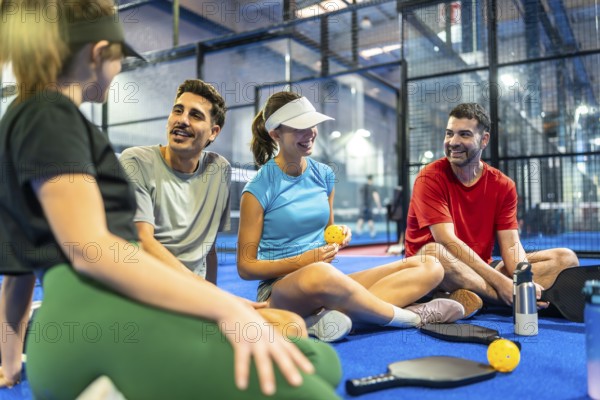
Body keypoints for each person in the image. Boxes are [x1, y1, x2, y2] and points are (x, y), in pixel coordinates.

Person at [0, 1, 342, 398]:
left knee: (320, 362)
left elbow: (17, 273)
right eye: (119, 60)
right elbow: (93, 250)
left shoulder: (23, 120)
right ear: (98, 54)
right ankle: (108, 385)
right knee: (313, 389)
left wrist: (10, 366)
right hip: (107, 325)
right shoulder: (50, 115)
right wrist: (223, 307)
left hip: (82, 333)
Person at [237, 92, 477, 343]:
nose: (309, 133)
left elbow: (326, 235)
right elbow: (246, 267)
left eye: (312, 125)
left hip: (327, 280)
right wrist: (304, 261)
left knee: (430, 266)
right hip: (281, 291)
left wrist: (337, 236)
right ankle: (413, 317)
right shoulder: (258, 188)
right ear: (276, 133)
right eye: (299, 128)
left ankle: (320, 320)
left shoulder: (324, 175)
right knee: (320, 272)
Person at [119, 79, 307, 339]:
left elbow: (210, 249)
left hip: (194, 300)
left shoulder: (219, 170)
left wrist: (215, 305)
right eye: (178, 110)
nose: (182, 120)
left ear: (213, 132)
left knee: (291, 327)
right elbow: (143, 242)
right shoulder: (135, 161)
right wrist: (217, 299)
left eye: (195, 115)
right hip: (146, 297)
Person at [404, 103, 579, 307]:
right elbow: (446, 241)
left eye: (464, 135)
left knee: (566, 259)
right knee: (434, 253)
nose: (453, 142)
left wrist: (522, 280)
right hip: (437, 269)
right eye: (449, 133)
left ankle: (478, 296)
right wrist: (502, 284)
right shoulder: (429, 177)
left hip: (478, 268)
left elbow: (512, 246)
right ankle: (504, 297)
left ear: (484, 139)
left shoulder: (503, 185)